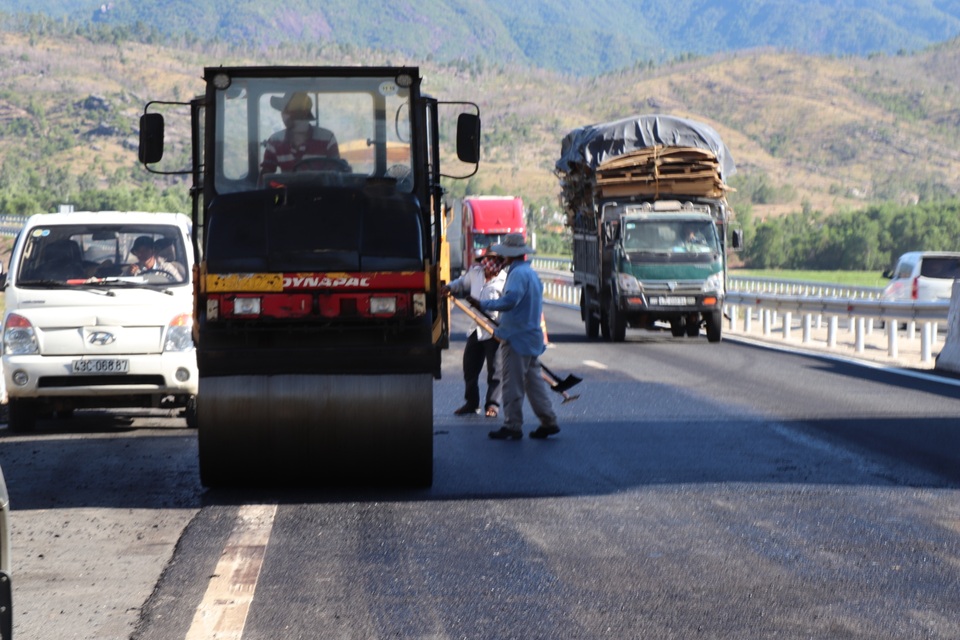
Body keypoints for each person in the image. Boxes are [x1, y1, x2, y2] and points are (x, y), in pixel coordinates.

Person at [476, 233, 560, 440]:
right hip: (530, 337)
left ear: (510, 256)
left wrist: (484, 304)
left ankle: (512, 424)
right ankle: (548, 421)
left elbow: (511, 300)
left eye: (503, 256)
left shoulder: (516, 275)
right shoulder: (530, 273)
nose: (501, 260)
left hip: (516, 338)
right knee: (534, 383)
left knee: (512, 383)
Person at [441, 249, 508, 417]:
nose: (490, 263)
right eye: (488, 259)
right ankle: (471, 403)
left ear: (500, 262)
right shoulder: (475, 273)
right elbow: (461, 283)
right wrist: (449, 287)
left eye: (494, 259)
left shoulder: (504, 280)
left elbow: (506, 306)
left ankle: (492, 406)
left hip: (494, 329)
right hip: (476, 327)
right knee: (470, 367)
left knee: (495, 370)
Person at [260, 92, 341, 176]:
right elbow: (265, 177)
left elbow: (335, 175)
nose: (286, 116)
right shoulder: (275, 142)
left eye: (300, 114)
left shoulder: (327, 139)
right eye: (286, 112)